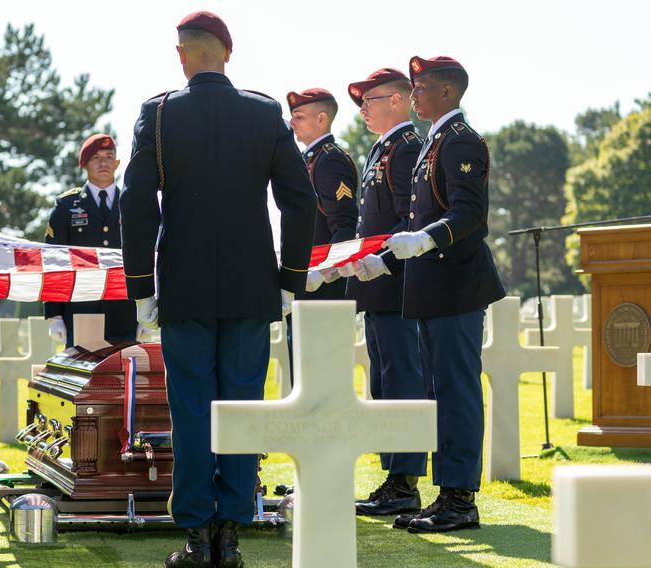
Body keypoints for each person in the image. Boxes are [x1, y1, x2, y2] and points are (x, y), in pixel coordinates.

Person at [120, 11, 316, 568]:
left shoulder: (157, 115)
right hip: (253, 287)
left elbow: (138, 204)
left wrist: (141, 289)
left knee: (191, 410)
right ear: (227, 54)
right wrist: (290, 282)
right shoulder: (263, 111)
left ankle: (198, 536)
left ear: (181, 54)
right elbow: (299, 201)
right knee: (241, 407)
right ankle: (230, 534)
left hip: (183, 287)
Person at [381, 56, 505, 533]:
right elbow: (415, 219)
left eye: (422, 87)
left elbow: (470, 214)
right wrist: (388, 259)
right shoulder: (437, 141)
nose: (414, 95)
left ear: (448, 92)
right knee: (439, 392)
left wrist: (427, 239)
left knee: (456, 391)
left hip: (456, 286)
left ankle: (460, 498)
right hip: (433, 288)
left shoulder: (461, 141)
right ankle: (445, 492)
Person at [343, 68, 428, 516]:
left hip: (396, 286)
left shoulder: (408, 148)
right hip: (376, 289)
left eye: (369, 100)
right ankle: (393, 476)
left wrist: (385, 261)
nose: (363, 109)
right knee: (384, 382)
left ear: (397, 101)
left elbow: (408, 220)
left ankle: (405, 482)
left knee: (402, 382)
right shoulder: (383, 148)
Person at [284, 87, 359, 380]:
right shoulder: (309, 159)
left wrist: (324, 273)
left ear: (322, 119)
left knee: (320, 380)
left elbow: (344, 225)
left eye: (300, 116)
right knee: (304, 378)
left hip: (322, 292)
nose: (293, 123)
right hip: (306, 287)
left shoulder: (329, 160)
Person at [43, 134, 139, 346]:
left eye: (108, 156)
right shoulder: (66, 206)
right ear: (84, 163)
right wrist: (54, 314)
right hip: (80, 308)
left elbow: (145, 255)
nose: (103, 162)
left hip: (124, 309)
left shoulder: (132, 205)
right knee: (82, 376)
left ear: (117, 163)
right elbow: (53, 261)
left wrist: (145, 305)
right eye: (95, 157)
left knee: (123, 375)